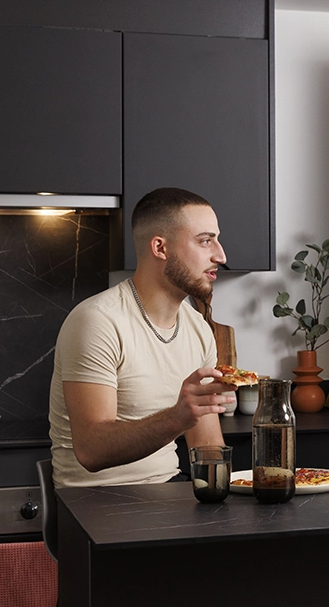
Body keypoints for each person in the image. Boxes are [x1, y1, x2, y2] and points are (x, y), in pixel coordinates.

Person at [48, 187, 236, 487]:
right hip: (93, 505)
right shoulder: (98, 321)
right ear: (160, 248)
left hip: (168, 492)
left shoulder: (198, 329)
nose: (221, 255)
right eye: (205, 241)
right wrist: (177, 417)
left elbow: (207, 450)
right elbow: (91, 450)